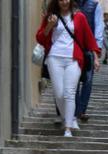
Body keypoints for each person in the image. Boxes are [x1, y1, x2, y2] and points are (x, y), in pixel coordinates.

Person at [36, 0, 100, 137]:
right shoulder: (50, 17)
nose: (64, 2)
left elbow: (89, 38)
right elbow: (41, 38)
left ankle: (68, 128)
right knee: (59, 94)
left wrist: (96, 57)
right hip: (54, 58)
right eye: (61, 0)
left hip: (74, 58)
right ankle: (70, 118)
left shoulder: (79, 17)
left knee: (69, 92)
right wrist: (50, 25)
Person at [74, 0, 103, 123]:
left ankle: (81, 110)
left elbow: (98, 27)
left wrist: (97, 49)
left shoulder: (95, 6)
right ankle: (76, 111)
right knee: (73, 80)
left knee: (88, 80)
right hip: (72, 47)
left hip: (88, 48)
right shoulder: (68, 3)